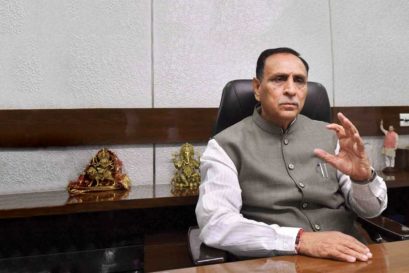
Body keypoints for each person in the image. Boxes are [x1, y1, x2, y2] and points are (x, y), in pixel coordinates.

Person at [196, 48, 387, 263]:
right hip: (278, 263)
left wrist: (362, 179)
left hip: (353, 257)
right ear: (257, 88)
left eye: (299, 81)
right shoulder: (225, 145)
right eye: (279, 79)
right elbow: (216, 224)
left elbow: (371, 210)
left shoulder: (332, 135)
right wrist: (299, 240)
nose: (290, 90)